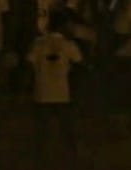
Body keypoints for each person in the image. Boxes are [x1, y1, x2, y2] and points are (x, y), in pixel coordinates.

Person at [27, 12, 83, 154]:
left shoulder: (39, 42)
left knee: (42, 127)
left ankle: (39, 152)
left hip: (42, 90)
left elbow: (30, 62)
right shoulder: (69, 44)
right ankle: (70, 151)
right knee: (65, 125)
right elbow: (79, 62)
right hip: (62, 90)